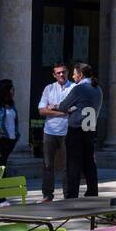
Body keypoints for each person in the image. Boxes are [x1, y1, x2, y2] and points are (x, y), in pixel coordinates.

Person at [57, 63, 102, 200]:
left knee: (73, 164)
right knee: (89, 162)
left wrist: (71, 108)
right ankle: (92, 192)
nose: (72, 76)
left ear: (81, 75)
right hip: (90, 128)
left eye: (74, 73)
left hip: (76, 128)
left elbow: (63, 106)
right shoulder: (97, 88)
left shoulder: (79, 89)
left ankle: (72, 195)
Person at [37, 63, 71, 201]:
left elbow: (73, 109)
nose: (61, 75)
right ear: (54, 75)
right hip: (50, 131)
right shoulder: (49, 89)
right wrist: (62, 112)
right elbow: (41, 110)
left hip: (67, 131)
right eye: (58, 73)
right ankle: (47, 195)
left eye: (63, 72)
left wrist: (54, 108)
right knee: (47, 164)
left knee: (67, 165)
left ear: (67, 72)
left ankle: (68, 195)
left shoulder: (74, 88)